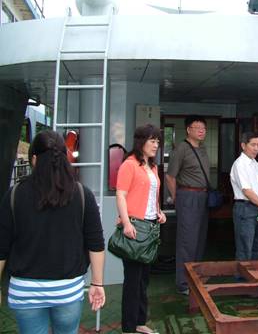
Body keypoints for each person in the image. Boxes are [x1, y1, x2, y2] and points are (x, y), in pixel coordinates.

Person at [0, 130, 105, 334]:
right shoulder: (82, 194)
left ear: (34, 159)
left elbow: (1, 248)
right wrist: (97, 283)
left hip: (25, 291)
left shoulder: (14, 195)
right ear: (64, 158)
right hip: (67, 291)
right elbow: (96, 243)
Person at [116, 124, 166, 334]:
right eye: (152, 141)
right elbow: (121, 195)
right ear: (141, 142)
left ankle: (139, 322)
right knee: (133, 280)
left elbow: (151, 195)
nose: (156, 145)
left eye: (157, 141)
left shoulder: (152, 166)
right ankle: (129, 327)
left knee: (143, 279)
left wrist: (159, 212)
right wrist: (126, 223)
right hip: (135, 228)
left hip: (150, 228)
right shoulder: (129, 164)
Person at [165, 115, 210, 295]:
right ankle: (184, 283)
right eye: (197, 127)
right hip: (187, 195)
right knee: (187, 241)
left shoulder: (203, 148)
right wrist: (177, 198)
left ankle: (195, 276)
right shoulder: (181, 149)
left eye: (203, 128)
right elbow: (170, 177)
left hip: (202, 196)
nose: (201, 131)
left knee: (199, 239)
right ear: (188, 130)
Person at [231, 132, 258, 262]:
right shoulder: (239, 164)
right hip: (245, 208)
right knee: (245, 248)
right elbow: (247, 191)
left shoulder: (255, 164)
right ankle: (242, 275)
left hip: (257, 208)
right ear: (243, 145)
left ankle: (254, 273)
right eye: (253, 145)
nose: (256, 148)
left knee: (256, 246)